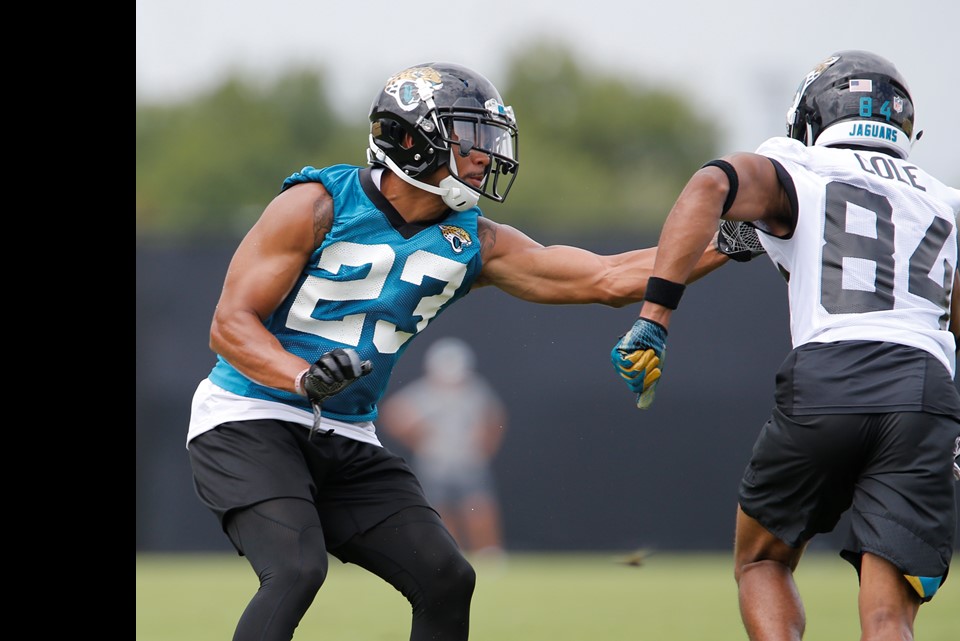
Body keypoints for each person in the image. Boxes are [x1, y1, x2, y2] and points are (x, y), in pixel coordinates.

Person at [185, 61, 729, 641]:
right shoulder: (318, 203)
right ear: (412, 139)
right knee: (296, 568)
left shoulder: (475, 241)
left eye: (490, 140)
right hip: (249, 417)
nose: (486, 156)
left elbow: (608, 277)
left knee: (445, 578)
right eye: (470, 138)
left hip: (344, 431)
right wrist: (302, 377)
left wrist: (728, 241)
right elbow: (229, 325)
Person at [609, 50, 960, 641]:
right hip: (925, 391)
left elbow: (711, 185)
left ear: (813, 118)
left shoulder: (798, 167)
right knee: (887, 619)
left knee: (762, 559)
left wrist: (655, 315)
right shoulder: (938, 198)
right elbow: (953, 320)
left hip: (831, 374)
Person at [380, 337, 509, 558]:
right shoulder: (424, 393)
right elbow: (393, 414)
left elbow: (495, 418)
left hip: (469, 460)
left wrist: (485, 446)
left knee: (478, 505)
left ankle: (489, 553)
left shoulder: (475, 391)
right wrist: (418, 439)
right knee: (440, 509)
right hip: (436, 463)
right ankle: (453, 553)